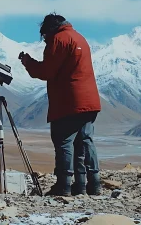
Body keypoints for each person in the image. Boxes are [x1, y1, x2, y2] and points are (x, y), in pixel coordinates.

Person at [20, 13, 102, 196]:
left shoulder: (58, 39)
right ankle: (90, 185)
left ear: (48, 30)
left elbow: (46, 71)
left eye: (44, 36)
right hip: (90, 101)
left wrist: (28, 62)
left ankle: (63, 186)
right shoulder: (79, 37)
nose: (44, 40)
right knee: (85, 142)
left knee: (64, 141)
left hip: (69, 101)